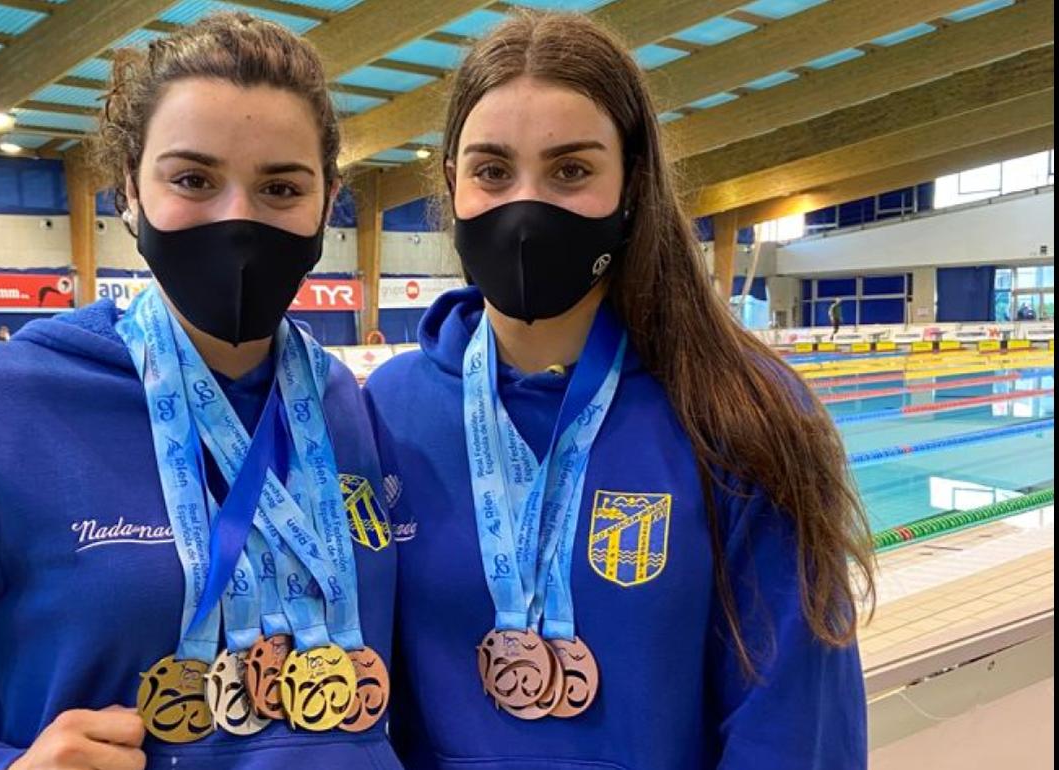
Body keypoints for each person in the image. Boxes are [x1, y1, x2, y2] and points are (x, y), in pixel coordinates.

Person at [0, 13, 398, 770]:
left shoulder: (342, 405)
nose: (238, 220)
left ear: (327, 202)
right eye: (193, 179)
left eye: (281, 187)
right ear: (128, 190)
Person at [364, 12, 873, 770]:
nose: (524, 209)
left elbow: (797, 731)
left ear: (631, 185)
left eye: (571, 171)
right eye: (492, 171)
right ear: (450, 182)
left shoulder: (743, 413)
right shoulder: (386, 411)